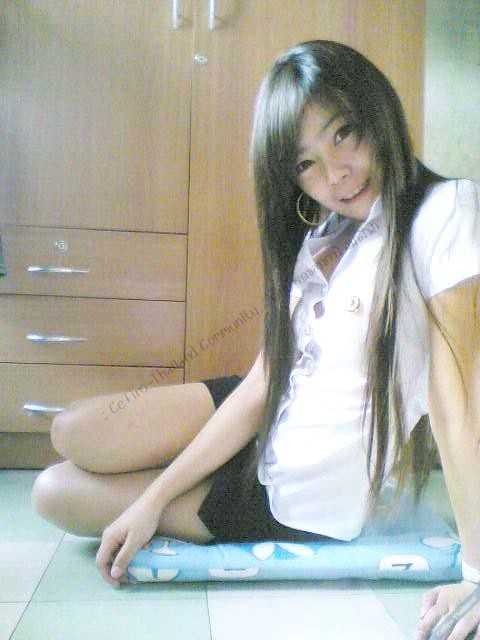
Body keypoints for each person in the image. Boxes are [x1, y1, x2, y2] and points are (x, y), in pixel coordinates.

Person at [32, 40, 480, 640]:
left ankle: (180, 484)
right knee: (72, 431)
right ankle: (167, 478)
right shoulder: (325, 232)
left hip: (297, 491)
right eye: (305, 163)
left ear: (376, 112)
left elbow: (460, 399)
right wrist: (154, 498)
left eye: (344, 134)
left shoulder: (445, 210)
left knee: (54, 492)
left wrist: (477, 572)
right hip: (262, 412)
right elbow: (266, 379)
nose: (336, 174)